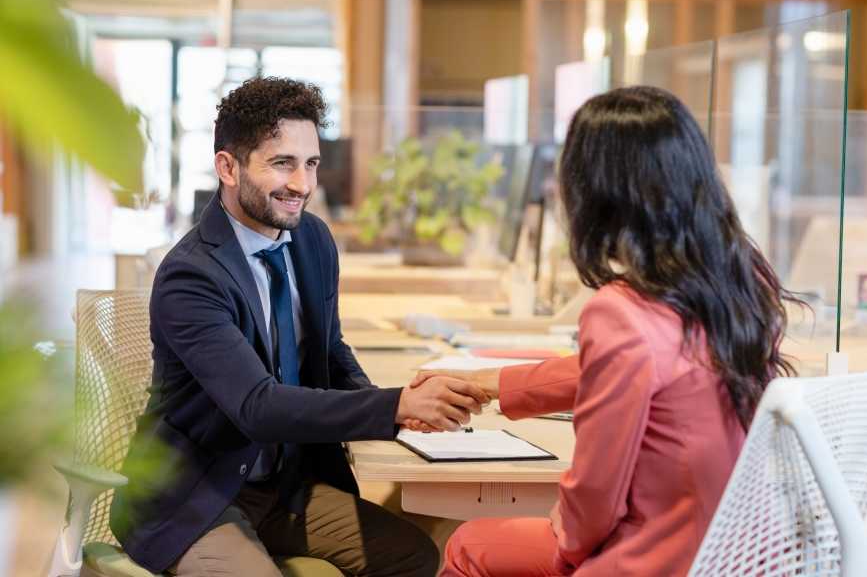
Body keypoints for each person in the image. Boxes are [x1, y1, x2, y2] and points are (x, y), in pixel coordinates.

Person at [414, 86, 800, 577]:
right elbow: (642, 368)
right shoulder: (739, 280)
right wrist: (494, 385)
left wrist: (567, 546)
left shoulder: (620, 311)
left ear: (594, 192)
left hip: (659, 557)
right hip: (743, 553)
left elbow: (597, 494)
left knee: (468, 543)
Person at [110, 77, 488, 577]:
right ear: (227, 167)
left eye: (310, 163)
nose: (303, 185)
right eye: (282, 163)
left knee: (415, 555)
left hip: (285, 486)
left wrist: (398, 412)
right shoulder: (191, 276)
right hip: (196, 497)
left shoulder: (311, 239)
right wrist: (392, 403)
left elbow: (329, 351)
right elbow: (257, 407)